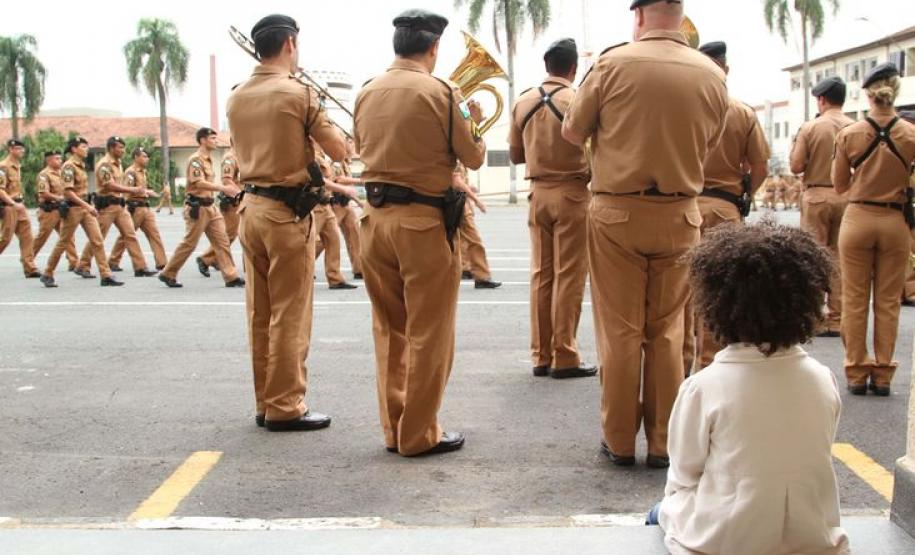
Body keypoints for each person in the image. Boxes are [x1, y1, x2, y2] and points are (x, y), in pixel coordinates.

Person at [562, 0, 728, 468]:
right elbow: (708, 142)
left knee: (621, 332)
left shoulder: (612, 63)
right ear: (679, 15)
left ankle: (618, 441)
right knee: (668, 333)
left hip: (617, 210)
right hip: (680, 212)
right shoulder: (710, 73)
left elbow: (572, 132)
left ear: (638, 15)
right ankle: (662, 443)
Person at [648, 222, 849, 555]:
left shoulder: (703, 387)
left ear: (717, 305)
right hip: (810, 536)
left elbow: (683, 476)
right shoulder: (822, 378)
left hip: (727, 539)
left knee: (659, 512)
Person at [355, 8, 486, 456]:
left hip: (375, 222)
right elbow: (475, 156)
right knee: (430, 332)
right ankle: (418, 433)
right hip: (424, 224)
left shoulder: (367, 90)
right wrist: (476, 119)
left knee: (389, 330)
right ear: (434, 47)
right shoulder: (443, 91)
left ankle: (394, 429)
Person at [227, 14, 346, 431]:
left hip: (251, 210)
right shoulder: (300, 95)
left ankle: (265, 402)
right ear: (291, 44)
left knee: (260, 314)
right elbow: (341, 148)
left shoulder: (237, 95)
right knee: (290, 315)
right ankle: (286, 405)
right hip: (286, 215)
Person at [509, 37, 594, 379]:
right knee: (569, 276)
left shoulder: (523, 101)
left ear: (547, 65)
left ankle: (540, 355)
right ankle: (565, 355)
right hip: (572, 194)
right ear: (573, 68)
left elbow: (516, 156)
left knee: (541, 275)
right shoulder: (577, 99)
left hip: (538, 195)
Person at [687, 40, 770, 372]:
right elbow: (759, 166)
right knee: (720, 291)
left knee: (684, 288)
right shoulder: (742, 112)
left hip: (686, 205)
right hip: (726, 209)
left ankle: (680, 365)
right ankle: (710, 363)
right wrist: (746, 194)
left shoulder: (684, 107)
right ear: (726, 68)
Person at [833, 63, 915, 397]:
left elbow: (839, 185)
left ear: (868, 93)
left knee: (854, 299)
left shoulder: (850, 133)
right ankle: (882, 374)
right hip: (894, 221)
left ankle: (855, 370)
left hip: (858, 218)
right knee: (888, 301)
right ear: (895, 92)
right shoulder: (911, 134)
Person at [790, 76, 855, 337]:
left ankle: (815, 316)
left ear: (821, 100)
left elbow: (796, 166)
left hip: (816, 195)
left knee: (813, 257)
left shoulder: (811, 127)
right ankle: (837, 319)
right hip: (848, 197)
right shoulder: (856, 126)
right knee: (838, 258)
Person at [159, 128, 244, 288]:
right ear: (203, 140)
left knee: (223, 241)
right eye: (212, 138)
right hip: (197, 206)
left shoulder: (208, 160)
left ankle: (231, 276)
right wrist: (223, 188)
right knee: (190, 243)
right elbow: (198, 183)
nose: (216, 141)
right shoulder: (196, 160)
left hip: (210, 206)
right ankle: (168, 273)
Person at [41, 137, 122, 287]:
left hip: (85, 207)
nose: (86, 149)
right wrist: (87, 206)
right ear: (74, 149)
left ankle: (106, 275)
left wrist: (87, 206)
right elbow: (69, 192)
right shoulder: (68, 167)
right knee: (63, 242)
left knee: (97, 240)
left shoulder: (80, 165)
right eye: (83, 147)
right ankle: (48, 272)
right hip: (73, 208)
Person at [74, 136, 158, 278]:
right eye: (120, 147)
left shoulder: (118, 163)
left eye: (123, 147)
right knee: (98, 238)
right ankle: (83, 265)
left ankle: (140, 267)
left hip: (119, 206)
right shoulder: (104, 164)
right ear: (111, 148)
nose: (123, 150)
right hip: (107, 206)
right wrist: (133, 190)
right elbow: (109, 185)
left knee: (130, 235)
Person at [108, 147, 168, 271]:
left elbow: (142, 189)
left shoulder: (142, 172)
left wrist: (152, 193)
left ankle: (162, 262)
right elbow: (127, 190)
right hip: (135, 208)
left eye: (147, 156)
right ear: (136, 157)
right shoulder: (131, 172)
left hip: (145, 207)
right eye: (144, 156)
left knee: (154, 234)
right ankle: (113, 260)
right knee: (127, 235)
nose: (147, 159)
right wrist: (144, 194)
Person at [312, 147, 358, 290]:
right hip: (315, 204)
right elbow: (320, 180)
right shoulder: (311, 155)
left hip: (326, 204)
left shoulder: (328, 157)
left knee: (333, 240)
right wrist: (343, 189)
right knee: (311, 242)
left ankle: (335, 278)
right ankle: (297, 272)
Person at [453, 162, 501, 289]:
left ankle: (465, 268)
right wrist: (477, 200)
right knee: (475, 242)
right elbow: (457, 182)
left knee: (459, 240)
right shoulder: (456, 158)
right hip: (459, 206)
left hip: (456, 204)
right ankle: (482, 276)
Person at [197, 148, 242, 277]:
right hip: (232, 201)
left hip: (239, 200)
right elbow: (227, 180)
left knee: (231, 234)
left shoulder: (240, 155)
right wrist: (240, 194)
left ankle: (214, 259)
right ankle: (205, 259)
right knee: (228, 234)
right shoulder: (230, 158)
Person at [32, 150, 78, 272]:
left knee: (68, 236)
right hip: (49, 210)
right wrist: (60, 198)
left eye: (60, 158)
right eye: (56, 158)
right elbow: (44, 193)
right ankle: (28, 259)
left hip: (61, 209)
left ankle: (73, 262)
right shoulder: (44, 175)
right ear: (49, 160)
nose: (60, 160)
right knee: (42, 236)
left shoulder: (62, 173)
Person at [0, 139, 40, 278]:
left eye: (22, 149)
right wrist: (12, 203)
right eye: (18, 149)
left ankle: (30, 267)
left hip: (19, 205)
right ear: (10, 150)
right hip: (9, 206)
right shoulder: (3, 167)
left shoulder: (17, 166)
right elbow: (0, 190)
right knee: (5, 239)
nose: (21, 151)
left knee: (27, 237)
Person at [330, 140, 365, 280]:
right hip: (335, 204)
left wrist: (359, 202)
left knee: (355, 235)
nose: (351, 145)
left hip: (346, 204)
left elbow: (349, 190)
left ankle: (359, 269)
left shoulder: (345, 162)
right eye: (349, 143)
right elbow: (337, 180)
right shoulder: (335, 161)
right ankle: (305, 265)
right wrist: (360, 181)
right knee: (324, 239)